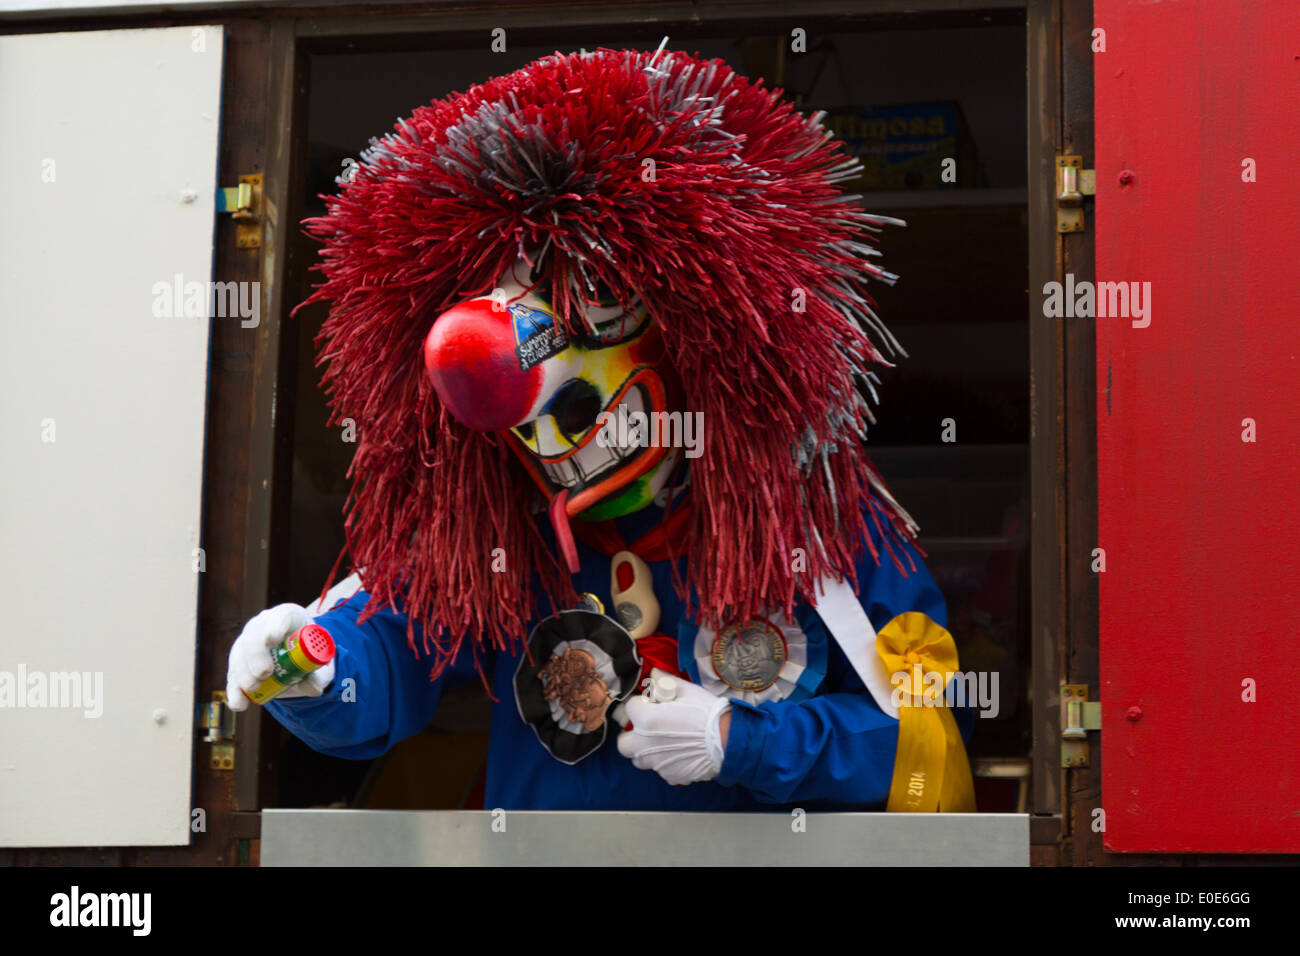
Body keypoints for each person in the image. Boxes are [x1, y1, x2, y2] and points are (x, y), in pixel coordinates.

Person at [225, 46, 975, 813]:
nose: (560, 440)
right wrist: (310, 672)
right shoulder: (492, 531)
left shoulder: (831, 528)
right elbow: (384, 658)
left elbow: (923, 746)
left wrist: (739, 741)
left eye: (580, 404)